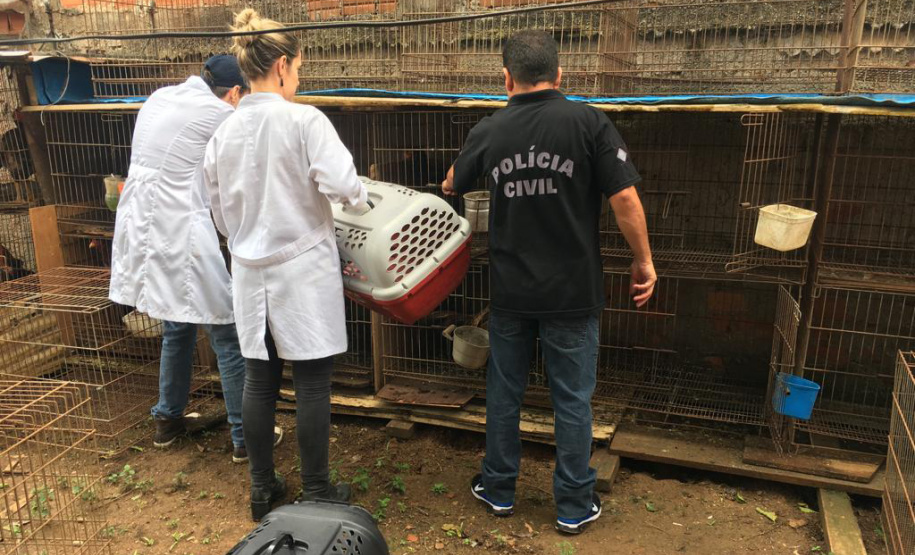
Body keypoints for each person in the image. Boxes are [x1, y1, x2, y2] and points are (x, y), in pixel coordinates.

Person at [443, 30, 657, 535]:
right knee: (571, 399)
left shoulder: (492, 129)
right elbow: (624, 198)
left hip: (512, 293)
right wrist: (644, 260)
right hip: (572, 293)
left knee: (505, 393)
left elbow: (453, 183)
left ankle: (498, 490)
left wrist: (480, 166)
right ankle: (573, 505)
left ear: (505, 78)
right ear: (560, 75)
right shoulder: (588, 122)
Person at [203, 9, 369, 521]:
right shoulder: (304, 120)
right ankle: (316, 487)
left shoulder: (222, 133)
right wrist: (358, 200)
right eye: (297, 69)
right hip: (301, 267)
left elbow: (218, 210)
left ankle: (261, 486)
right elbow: (345, 188)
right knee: (313, 382)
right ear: (280, 66)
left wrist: (248, 236)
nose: (298, 79)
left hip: (249, 269)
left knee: (260, 379)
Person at [109, 55, 282, 463]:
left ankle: (167, 421)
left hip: (143, 223)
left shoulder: (161, 96)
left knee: (177, 325)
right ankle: (245, 438)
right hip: (178, 230)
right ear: (236, 92)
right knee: (226, 330)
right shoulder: (219, 112)